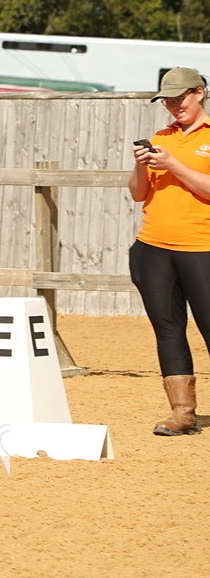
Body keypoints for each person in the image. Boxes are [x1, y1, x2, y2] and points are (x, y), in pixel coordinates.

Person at [129, 66, 210, 436]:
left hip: (202, 248)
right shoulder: (162, 137)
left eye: (180, 98)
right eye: (167, 100)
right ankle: (182, 413)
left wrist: (173, 165)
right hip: (154, 247)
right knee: (167, 329)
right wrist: (141, 164)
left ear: (200, 92)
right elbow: (138, 193)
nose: (173, 106)